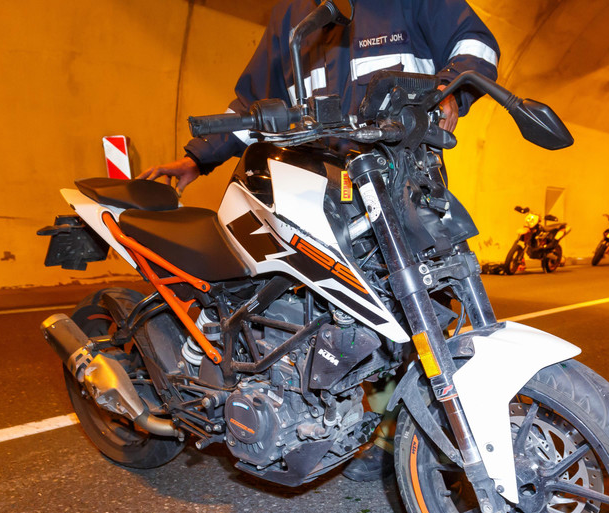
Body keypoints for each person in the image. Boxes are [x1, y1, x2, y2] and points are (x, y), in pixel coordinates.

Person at [139, 0, 500, 479]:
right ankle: (323, 415)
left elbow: (474, 44)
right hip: (319, 187)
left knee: (421, 306)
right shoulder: (291, 14)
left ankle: (403, 429)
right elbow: (250, 105)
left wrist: (449, 90)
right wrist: (196, 159)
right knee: (318, 311)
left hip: (398, 183)